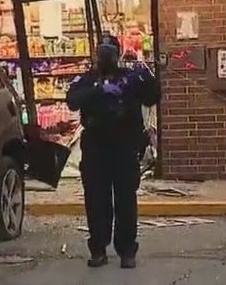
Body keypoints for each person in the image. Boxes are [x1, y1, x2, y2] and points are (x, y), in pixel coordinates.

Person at [66, 34, 159, 269]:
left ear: (117, 55)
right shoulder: (88, 79)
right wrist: (100, 90)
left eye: (110, 51)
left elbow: (153, 96)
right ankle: (98, 249)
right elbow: (73, 100)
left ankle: (127, 250)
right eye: (102, 51)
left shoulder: (130, 77)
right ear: (97, 54)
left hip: (124, 145)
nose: (106, 56)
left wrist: (144, 77)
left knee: (126, 200)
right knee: (97, 200)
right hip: (96, 146)